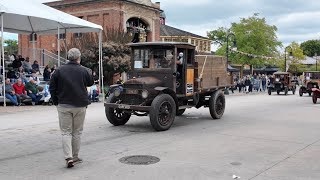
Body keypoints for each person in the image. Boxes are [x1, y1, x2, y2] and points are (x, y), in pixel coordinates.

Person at [49, 48, 94, 168]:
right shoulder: (84, 70)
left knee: (66, 132)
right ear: (79, 57)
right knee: (77, 132)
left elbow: (52, 88)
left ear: (68, 57)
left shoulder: (58, 70)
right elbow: (90, 83)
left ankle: (68, 157)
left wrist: (56, 102)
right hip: (80, 105)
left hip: (64, 105)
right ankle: (75, 156)